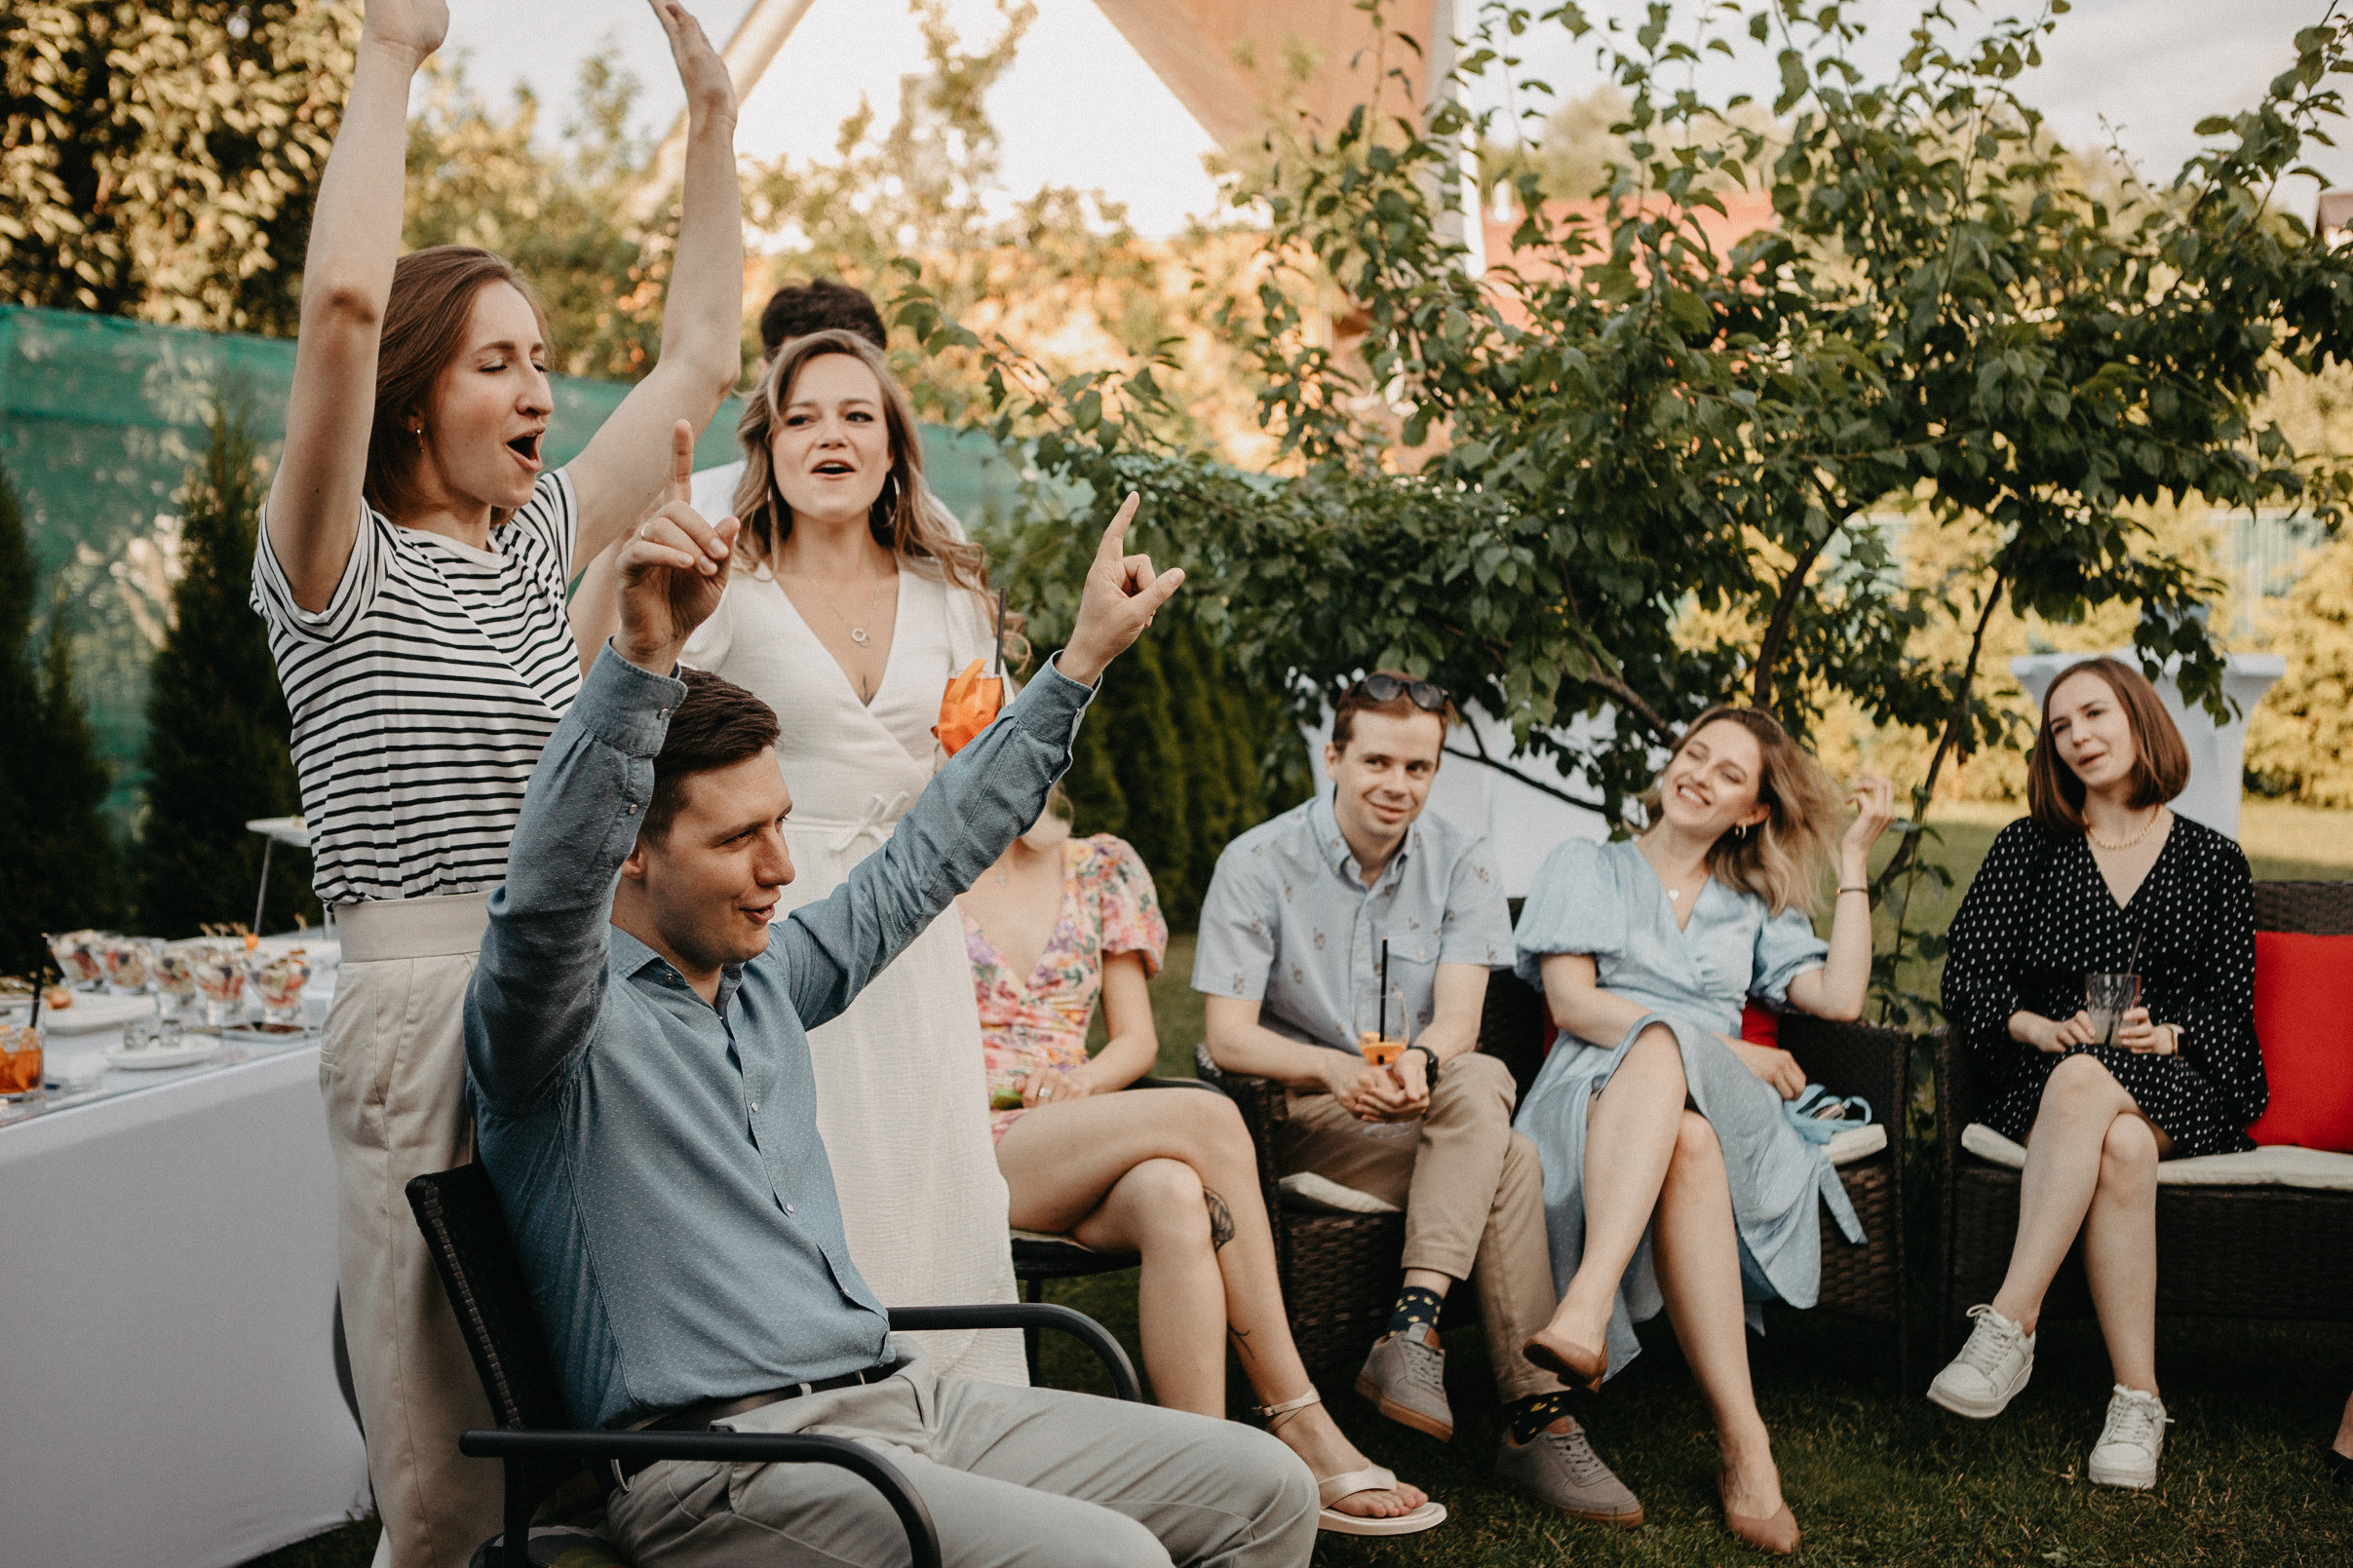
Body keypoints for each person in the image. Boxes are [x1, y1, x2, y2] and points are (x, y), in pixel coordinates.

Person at [467, 465, 1313, 1568]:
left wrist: (1080, 662)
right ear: (628, 854)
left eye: (780, 824)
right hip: (726, 1469)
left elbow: (926, 856)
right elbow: (543, 894)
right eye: (736, 840)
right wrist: (640, 660)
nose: (780, 867)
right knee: (1110, 1561)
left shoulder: (768, 982)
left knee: (1265, 1489)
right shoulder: (553, 1025)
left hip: (898, 1408)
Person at [247, 2, 743, 1563]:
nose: (542, 390)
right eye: (500, 362)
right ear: (412, 396)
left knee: (597, 1439)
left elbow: (700, 362)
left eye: (545, 361)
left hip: (566, 997)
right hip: (422, 1012)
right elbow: (337, 301)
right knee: (449, 1485)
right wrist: (392, 53)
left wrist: (715, 128)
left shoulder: (532, 548)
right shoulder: (332, 559)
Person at [572, 325, 1024, 1380]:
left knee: (933, 1167)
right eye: (802, 416)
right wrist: (627, 560)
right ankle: (832, 1397)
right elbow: (614, 697)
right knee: (817, 1160)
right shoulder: (731, 583)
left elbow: (977, 768)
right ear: (767, 446)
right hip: (772, 922)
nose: (830, 435)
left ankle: (969, 1413)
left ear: (893, 449)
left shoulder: (953, 595)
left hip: (909, 928)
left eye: (855, 415)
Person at [1194, 672, 1642, 1527]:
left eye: (1419, 766)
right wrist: (1333, 1072)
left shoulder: (1461, 855)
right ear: (1334, 755)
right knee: (1511, 1157)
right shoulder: (1256, 861)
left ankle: (1411, 1327)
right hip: (1298, 1111)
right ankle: (1535, 1417)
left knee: (1475, 1077)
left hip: (1417, 1099)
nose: (1398, 785)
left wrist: (1421, 1063)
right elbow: (1227, 1036)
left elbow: (1462, 1020)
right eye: (1377, 761)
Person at [958, 794, 1445, 1536]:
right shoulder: (929, 869)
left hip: (1069, 1124)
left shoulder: (1100, 867)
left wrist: (1084, 1081)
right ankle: (1298, 1417)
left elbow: (1136, 1039)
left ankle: (1203, 1489)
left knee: (1175, 1194)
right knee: (1210, 1113)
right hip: (971, 1134)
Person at [1513, 707, 1897, 1555]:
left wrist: (1853, 861)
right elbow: (1573, 1004)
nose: (1701, 776)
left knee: (1676, 1078)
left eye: (1731, 774)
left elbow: (1838, 1000)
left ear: (1753, 811)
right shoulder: (1587, 863)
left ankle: (1584, 1312)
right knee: (1675, 1107)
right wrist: (1716, 1042)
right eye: (1696, 754)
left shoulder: (1751, 901)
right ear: (1670, 763)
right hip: (1591, 1096)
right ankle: (1744, 1441)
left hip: (1725, 1100)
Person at [1928, 656, 2264, 1492]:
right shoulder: (2028, 848)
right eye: (2060, 726)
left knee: (2093, 1086)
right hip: (2046, 1083)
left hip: (2175, 1084)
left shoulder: (2214, 862)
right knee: (2110, 1130)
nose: (2077, 736)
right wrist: (2032, 1022)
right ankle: (2137, 1401)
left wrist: (2172, 1034)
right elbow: (1966, 974)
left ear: (2139, 718)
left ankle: (2010, 1323)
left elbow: (2234, 1015)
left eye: (2095, 714)